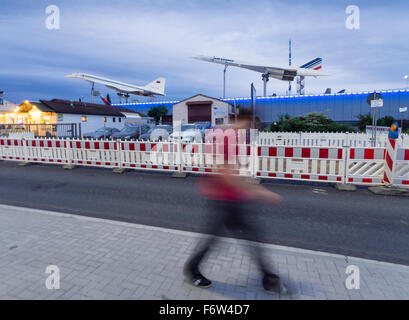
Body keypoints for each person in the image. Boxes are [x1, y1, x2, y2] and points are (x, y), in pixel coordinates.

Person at [183, 119, 287, 294]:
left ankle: (268, 277)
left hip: (232, 198)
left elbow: (237, 170)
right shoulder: (226, 138)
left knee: (250, 238)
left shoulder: (236, 139)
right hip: (222, 199)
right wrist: (263, 193)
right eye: (250, 126)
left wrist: (250, 185)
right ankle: (192, 269)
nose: (251, 131)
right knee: (220, 239)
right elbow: (227, 174)